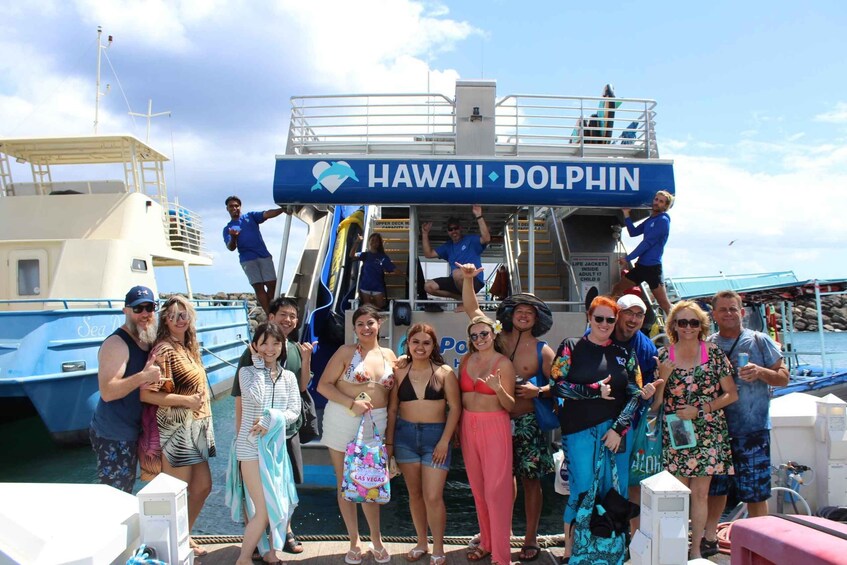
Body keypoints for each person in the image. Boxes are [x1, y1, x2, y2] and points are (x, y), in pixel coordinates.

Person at [459, 263, 555, 562]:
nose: (524, 314)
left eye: (530, 312)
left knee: (530, 480)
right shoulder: (496, 338)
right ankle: (499, 533)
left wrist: (540, 391)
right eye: (519, 310)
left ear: (537, 318)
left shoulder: (543, 350)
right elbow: (472, 309)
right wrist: (468, 279)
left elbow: (562, 385)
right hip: (496, 422)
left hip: (526, 421)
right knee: (497, 483)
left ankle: (530, 537)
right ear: (510, 314)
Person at [552, 296, 643, 563]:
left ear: (616, 322)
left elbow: (635, 394)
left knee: (615, 492)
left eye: (610, 319)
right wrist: (593, 391)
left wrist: (618, 428)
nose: (604, 324)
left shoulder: (625, 353)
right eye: (598, 318)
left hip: (615, 434)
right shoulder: (570, 346)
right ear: (589, 318)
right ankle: (573, 552)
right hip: (578, 431)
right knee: (582, 490)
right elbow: (557, 385)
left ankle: (610, 552)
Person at [702, 290, 789, 557]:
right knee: (716, 490)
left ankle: (760, 546)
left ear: (742, 312)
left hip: (753, 431)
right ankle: (709, 538)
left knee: (756, 493)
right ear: (714, 314)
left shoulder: (760, 340)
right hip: (717, 432)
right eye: (723, 309)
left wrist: (761, 372)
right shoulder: (708, 344)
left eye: (733, 308)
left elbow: (784, 377)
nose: (728, 313)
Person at [650, 300, 738, 559]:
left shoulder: (713, 353)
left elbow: (731, 394)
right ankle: (677, 548)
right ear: (674, 326)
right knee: (679, 493)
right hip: (677, 428)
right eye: (682, 322)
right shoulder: (664, 356)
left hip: (708, 430)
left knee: (701, 494)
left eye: (693, 322)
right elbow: (656, 404)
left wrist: (700, 410)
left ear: (701, 326)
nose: (688, 327)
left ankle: (696, 549)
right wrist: (663, 378)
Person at [231, 296, 313, 555]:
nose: (288, 320)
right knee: (255, 497)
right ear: (271, 317)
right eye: (283, 315)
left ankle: (282, 537)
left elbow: (299, 393)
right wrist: (239, 435)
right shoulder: (249, 360)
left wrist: (307, 359)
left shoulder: (296, 351)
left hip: (284, 436)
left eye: (292, 316)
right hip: (253, 441)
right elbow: (244, 397)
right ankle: (256, 545)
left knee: (284, 490)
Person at [316, 305, 397, 565]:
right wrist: (352, 403)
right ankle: (354, 540)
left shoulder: (390, 355)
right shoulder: (345, 352)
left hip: (377, 423)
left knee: (370, 482)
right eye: (360, 324)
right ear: (354, 328)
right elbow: (323, 385)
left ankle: (376, 540)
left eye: (370, 322)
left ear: (379, 324)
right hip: (343, 420)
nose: (365, 328)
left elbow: (393, 398)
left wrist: (390, 438)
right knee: (346, 482)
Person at [139, 295, 216, 557]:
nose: (179, 320)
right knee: (177, 492)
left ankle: (185, 534)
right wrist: (186, 401)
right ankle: (172, 550)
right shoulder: (164, 350)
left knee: (203, 486)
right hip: (176, 431)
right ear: (165, 320)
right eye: (172, 316)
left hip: (196, 428)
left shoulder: (187, 347)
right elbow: (146, 394)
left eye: (183, 314)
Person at [385, 323, 461, 565]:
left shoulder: (445, 372)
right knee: (415, 494)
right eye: (415, 341)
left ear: (433, 345)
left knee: (433, 496)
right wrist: (389, 443)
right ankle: (421, 542)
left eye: (426, 342)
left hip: (435, 438)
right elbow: (393, 409)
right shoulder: (399, 371)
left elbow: (455, 408)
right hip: (405, 437)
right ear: (408, 344)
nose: (420, 347)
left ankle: (438, 547)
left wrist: (444, 441)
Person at [456, 278, 517, 565]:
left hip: (495, 426)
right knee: (479, 490)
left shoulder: (503, 363)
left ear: (493, 334)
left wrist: (499, 389)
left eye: (484, 333)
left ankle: (501, 557)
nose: (480, 338)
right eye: (475, 335)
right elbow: (459, 398)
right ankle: (487, 542)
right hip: (468, 426)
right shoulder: (465, 361)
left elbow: (510, 405)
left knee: (497, 492)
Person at [90, 285, 163, 493]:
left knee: (155, 486)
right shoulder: (116, 344)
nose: (145, 314)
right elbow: (107, 391)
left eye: (149, 308)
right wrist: (143, 376)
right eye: (138, 309)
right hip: (114, 433)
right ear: (126, 311)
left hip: (138, 430)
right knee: (116, 493)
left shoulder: (146, 338)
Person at [612, 294, 659, 532]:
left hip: (631, 423)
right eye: (628, 313)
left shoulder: (646, 347)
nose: (633, 319)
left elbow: (648, 391)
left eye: (639, 315)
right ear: (617, 314)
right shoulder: (600, 335)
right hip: (599, 420)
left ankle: (633, 535)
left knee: (632, 480)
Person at [612, 190, 674, 315]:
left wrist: (627, 258)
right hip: (641, 266)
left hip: (653, 268)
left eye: (661, 201)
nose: (657, 203)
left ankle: (679, 324)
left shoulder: (663, 220)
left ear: (665, 206)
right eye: (656, 199)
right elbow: (633, 232)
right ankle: (613, 318)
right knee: (617, 290)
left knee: (664, 304)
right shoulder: (651, 219)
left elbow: (647, 243)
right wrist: (626, 215)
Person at [223, 195, 285, 314]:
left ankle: (272, 312)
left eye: (236, 205)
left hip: (263, 255)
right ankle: (270, 315)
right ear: (227, 209)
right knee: (258, 287)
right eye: (231, 206)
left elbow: (267, 214)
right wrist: (234, 237)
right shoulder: (227, 229)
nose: (234, 208)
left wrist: (282, 209)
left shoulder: (250, 216)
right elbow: (231, 247)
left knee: (272, 284)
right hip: (247, 259)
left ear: (240, 207)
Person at [421, 205, 490, 309]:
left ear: (460, 228)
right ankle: (461, 298)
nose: (453, 231)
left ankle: (466, 303)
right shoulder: (448, 246)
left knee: (457, 273)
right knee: (428, 286)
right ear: (448, 232)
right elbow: (428, 254)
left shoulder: (471, 240)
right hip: (456, 280)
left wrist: (479, 216)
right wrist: (425, 233)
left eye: (456, 228)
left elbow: (486, 238)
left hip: (474, 279)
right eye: (450, 229)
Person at [350, 233, 398, 309]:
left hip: (378, 288)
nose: (374, 242)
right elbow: (351, 255)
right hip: (365, 287)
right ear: (369, 241)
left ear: (379, 244)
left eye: (376, 241)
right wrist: (357, 242)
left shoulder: (383, 257)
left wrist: (406, 277)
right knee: (367, 310)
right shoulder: (364, 255)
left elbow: (393, 269)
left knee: (379, 310)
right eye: (372, 240)